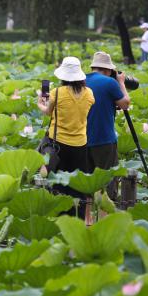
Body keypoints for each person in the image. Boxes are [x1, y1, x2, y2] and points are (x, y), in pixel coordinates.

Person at [37, 56, 95, 216]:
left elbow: (48, 112)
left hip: (58, 144)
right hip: (80, 145)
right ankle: (78, 217)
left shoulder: (57, 92)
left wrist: (40, 103)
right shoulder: (89, 93)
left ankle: (61, 218)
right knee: (77, 185)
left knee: (59, 185)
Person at [85, 52, 131, 197]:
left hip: (80, 140)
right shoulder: (110, 83)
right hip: (104, 140)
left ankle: (88, 211)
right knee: (108, 184)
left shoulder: (80, 81)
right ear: (109, 70)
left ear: (93, 67)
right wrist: (121, 82)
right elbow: (125, 104)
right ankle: (107, 209)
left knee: (87, 185)